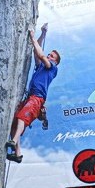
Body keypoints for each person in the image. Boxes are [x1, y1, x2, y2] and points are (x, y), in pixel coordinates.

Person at [6, 24, 61, 162]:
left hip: (37, 98)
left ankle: (13, 141)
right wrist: (42, 34)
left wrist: (32, 36)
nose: (49, 55)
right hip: (31, 97)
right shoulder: (41, 66)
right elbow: (37, 53)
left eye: (52, 56)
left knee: (22, 117)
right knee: (15, 122)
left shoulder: (52, 68)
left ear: (55, 61)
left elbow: (41, 55)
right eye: (50, 54)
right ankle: (17, 154)